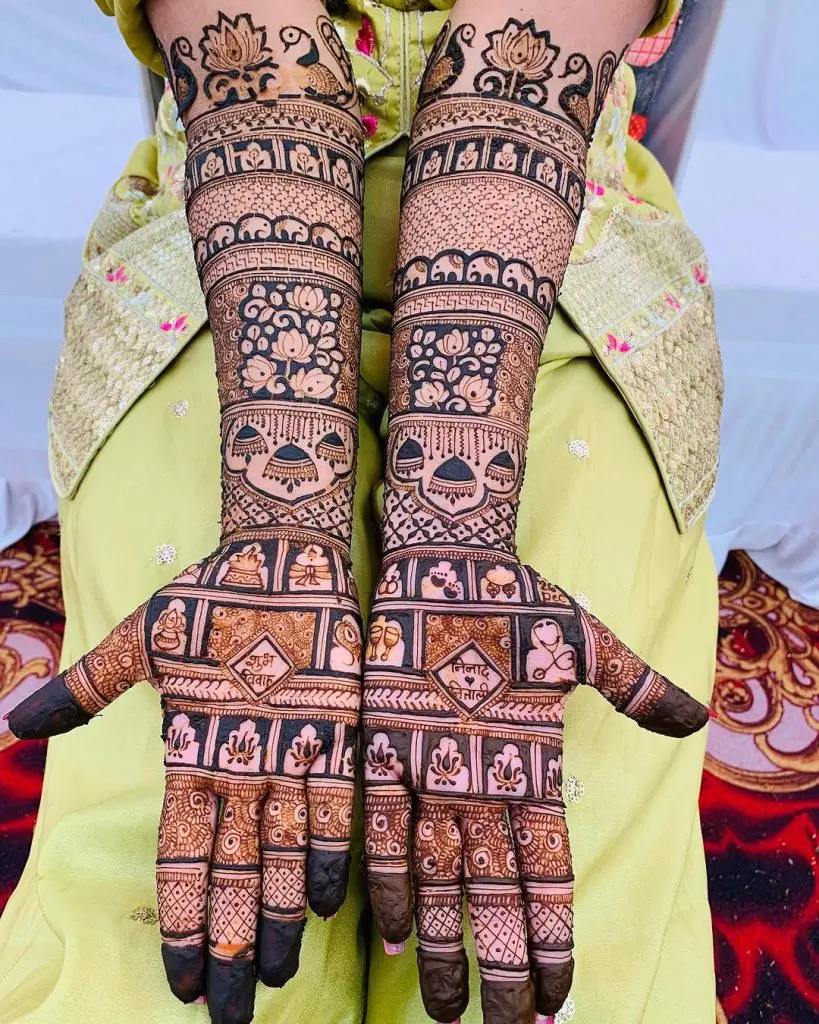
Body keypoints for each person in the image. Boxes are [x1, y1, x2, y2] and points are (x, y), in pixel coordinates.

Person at [1, 1, 722, 1023]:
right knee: (164, 940)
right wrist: (279, 531)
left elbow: (529, 64)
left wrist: (453, 538)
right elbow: (249, 59)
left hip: (568, 262)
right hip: (224, 264)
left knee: (555, 917)